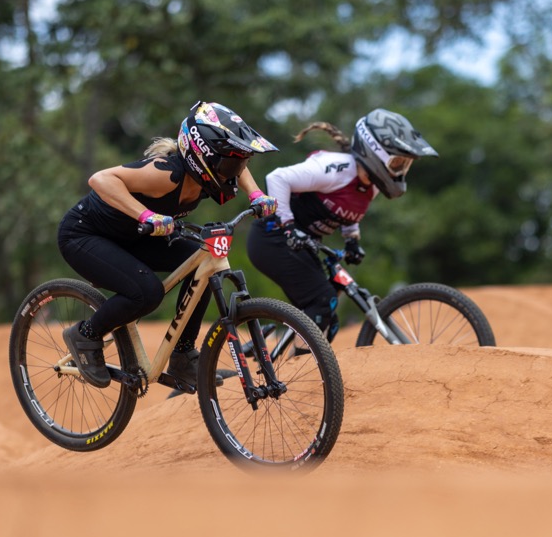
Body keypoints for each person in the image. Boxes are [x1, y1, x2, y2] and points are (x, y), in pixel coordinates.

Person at [57, 101, 278, 388]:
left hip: (135, 236)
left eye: (237, 163)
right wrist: (146, 214)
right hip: (85, 235)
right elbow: (100, 179)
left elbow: (240, 166)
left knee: (199, 265)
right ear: (204, 158)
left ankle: (183, 356)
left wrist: (257, 195)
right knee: (146, 293)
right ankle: (85, 334)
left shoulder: (212, 173)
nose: (235, 170)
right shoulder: (164, 174)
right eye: (230, 164)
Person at [244, 108, 438, 340]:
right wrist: (287, 225)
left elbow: (350, 214)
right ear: (375, 153)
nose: (401, 171)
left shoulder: (372, 186)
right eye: (398, 163)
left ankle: (278, 348)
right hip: (271, 239)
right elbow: (277, 178)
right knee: (323, 300)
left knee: (327, 315)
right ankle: (299, 365)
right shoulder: (335, 169)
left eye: (405, 165)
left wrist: (351, 239)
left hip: (300, 244)